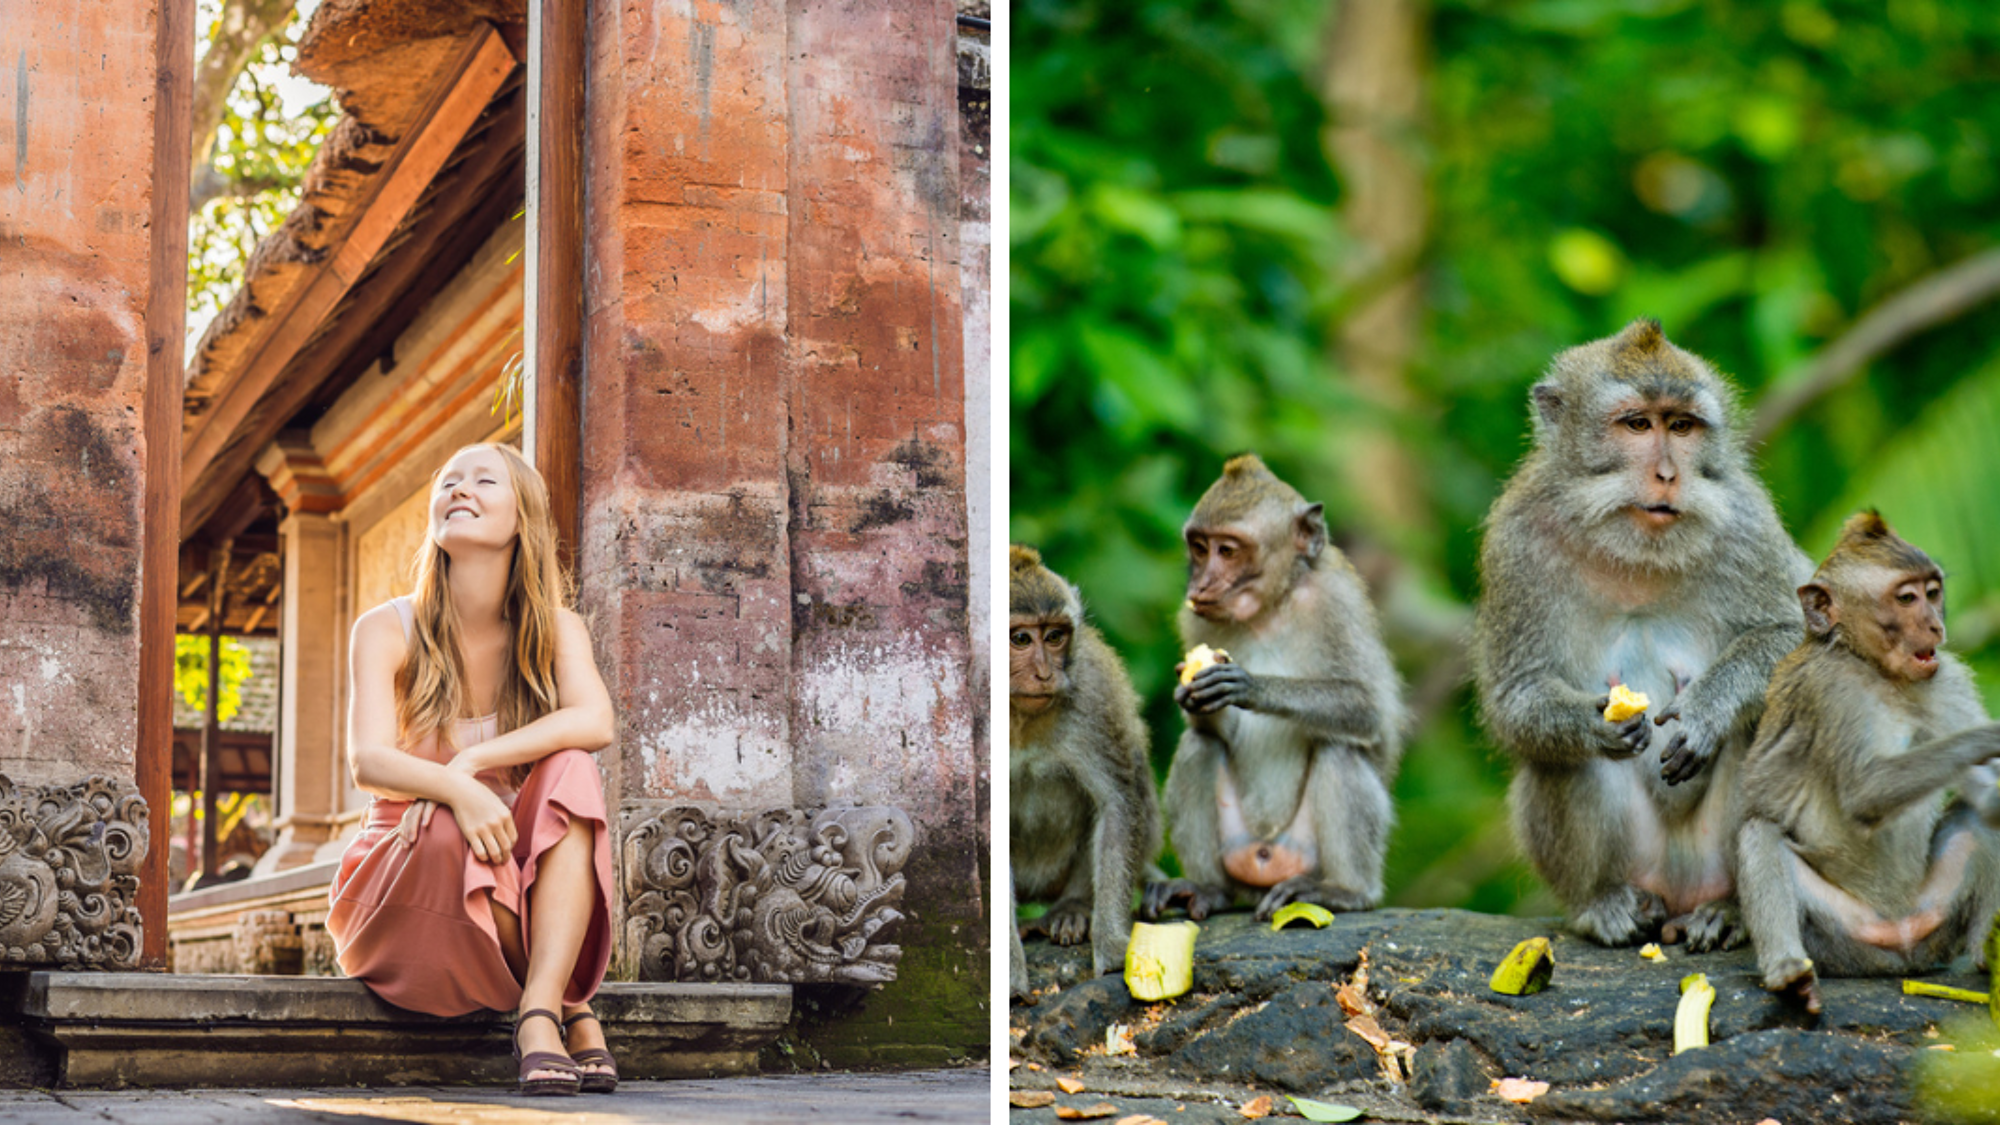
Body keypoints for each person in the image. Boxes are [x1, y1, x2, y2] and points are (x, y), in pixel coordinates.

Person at [326, 443, 619, 1096]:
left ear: (522, 518)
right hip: (409, 866)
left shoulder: (557, 629)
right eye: (448, 482)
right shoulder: (386, 628)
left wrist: (474, 763)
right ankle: (568, 1004)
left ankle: (537, 1011)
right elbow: (368, 762)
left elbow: (596, 721)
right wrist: (455, 792)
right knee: (447, 827)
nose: (459, 489)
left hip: (512, 866)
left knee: (573, 767)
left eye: (484, 480)